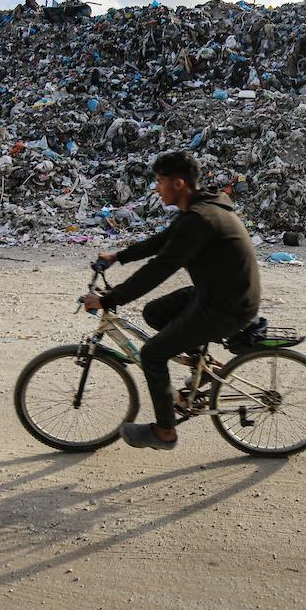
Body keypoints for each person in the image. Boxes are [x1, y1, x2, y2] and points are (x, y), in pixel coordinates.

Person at [84, 150, 261, 450]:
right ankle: (205, 366)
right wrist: (118, 256)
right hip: (221, 292)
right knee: (155, 313)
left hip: (226, 306)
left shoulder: (200, 220)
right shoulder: (202, 207)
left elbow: (159, 269)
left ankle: (165, 432)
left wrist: (110, 299)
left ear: (178, 183)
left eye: (160, 181)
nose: (156, 187)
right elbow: (164, 241)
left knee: (152, 354)